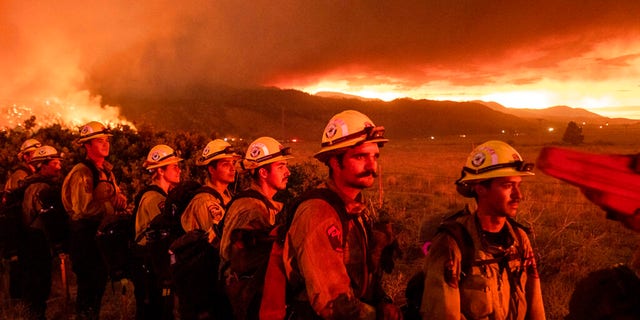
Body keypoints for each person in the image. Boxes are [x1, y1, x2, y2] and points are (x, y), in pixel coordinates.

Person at [282, 109, 401, 319]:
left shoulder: (356, 209)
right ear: (335, 162)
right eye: (360, 156)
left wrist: (382, 301)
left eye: (375, 156)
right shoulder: (318, 214)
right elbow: (334, 305)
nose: (371, 165)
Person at [421, 140, 545, 320]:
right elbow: (442, 313)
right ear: (480, 188)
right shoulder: (453, 242)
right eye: (507, 185)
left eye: (518, 185)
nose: (518, 195)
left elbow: (535, 306)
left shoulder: (519, 238)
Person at [219, 136, 292, 319]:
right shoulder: (253, 209)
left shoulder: (257, 204)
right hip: (241, 298)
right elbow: (243, 263)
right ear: (263, 173)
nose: (288, 172)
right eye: (281, 167)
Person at [61, 121, 128, 319]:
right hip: (86, 238)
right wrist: (112, 206)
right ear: (87, 146)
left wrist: (120, 201)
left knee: (97, 285)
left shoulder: (106, 171)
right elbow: (83, 208)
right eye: (100, 141)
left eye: (106, 140)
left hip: (100, 238)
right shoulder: (83, 172)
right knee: (89, 289)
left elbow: (114, 196)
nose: (105, 144)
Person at [132, 144, 182, 320]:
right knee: (154, 310)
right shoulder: (155, 199)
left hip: (151, 262)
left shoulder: (161, 196)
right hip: (150, 263)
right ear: (160, 170)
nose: (179, 170)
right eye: (174, 166)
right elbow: (166, 230)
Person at [18, 145, 65, 319]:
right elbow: (43, 218)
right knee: (39, 283)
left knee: (38, 282)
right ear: (42, 165)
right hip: (36, 240)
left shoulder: (37, 184)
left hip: (35, 239)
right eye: (55, 163)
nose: (59, 166)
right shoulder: (39, 188)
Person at [181, 139, 241, 243]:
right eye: (226, 164)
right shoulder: (204, 201)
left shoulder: (227, 195)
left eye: (233, 163)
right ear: (211, 170)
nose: (233, 168)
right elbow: (213, 243)